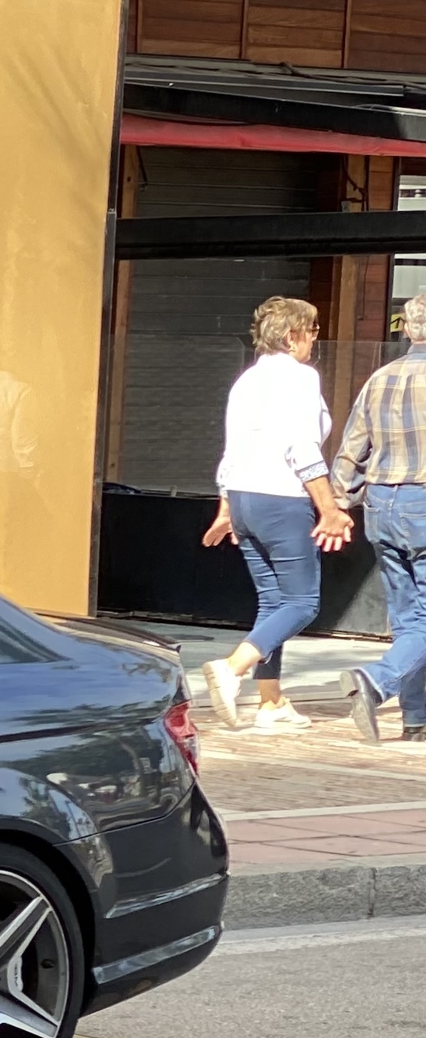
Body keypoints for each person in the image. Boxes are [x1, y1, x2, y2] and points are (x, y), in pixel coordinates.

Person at [200, 295, 355, 731]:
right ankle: (233, 668)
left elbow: (231, 450)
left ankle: (272, 703)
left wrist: (226, 507)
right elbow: (302, 447)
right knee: (303, 602)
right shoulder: (300, 378)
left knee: (273, 602)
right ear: (292, 337)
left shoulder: (246, 381)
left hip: (245, 497)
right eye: (313, 331)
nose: (314, 340)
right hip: (283, 499)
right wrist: (328, 508)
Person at [329, 292, 426, 744]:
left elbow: (350, 451)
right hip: (423, 502)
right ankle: (376, 681)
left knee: (409, 618)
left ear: (408, 329)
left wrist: (338, 505)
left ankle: (416, 719)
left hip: (381, 505)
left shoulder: (379, 378)